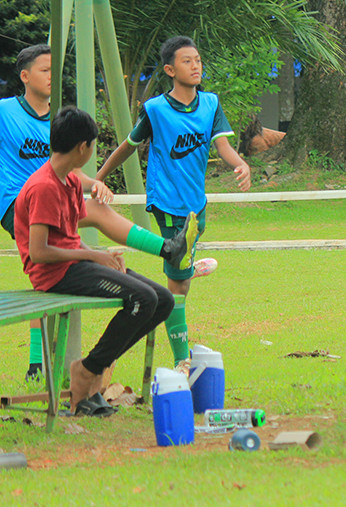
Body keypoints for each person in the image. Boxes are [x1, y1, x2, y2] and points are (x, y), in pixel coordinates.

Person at [0, 44, 199, 380]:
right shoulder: (6, 112)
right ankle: (47, 363)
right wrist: (92, 254)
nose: (52, 77)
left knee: (99, 212)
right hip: (18, 202)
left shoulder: (62, 120)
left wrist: (95, 184)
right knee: (51, 268)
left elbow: (66, 167)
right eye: (45, 70)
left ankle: (168, 248)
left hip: (57, 195)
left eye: (55, 70)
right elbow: (41, 247)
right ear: (24, 76)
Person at [98, 36, 251, 373]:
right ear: (169, 69)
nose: (195, 66)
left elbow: (222, 146)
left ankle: (186, 267)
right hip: (167, 202)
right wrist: (100, 175)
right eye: (187, 61)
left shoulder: (211, 104)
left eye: (197, 60)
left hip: (198, 203)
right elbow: (128, 145)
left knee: (181, 280)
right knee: (177, 281)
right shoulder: (155, 109)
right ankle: (181, 359)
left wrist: (240, 164)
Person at [14, 106, 175, 415]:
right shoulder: (44, 186)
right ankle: (88, 372)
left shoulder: (71, 182)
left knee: (163, 299)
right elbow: (40, 252)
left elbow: (68, 238)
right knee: (141, 298)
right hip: (54, 275)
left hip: (75, 265)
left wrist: (99, 258)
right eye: (93, 146)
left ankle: (92, 369)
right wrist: (93, 254)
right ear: (82, 147)